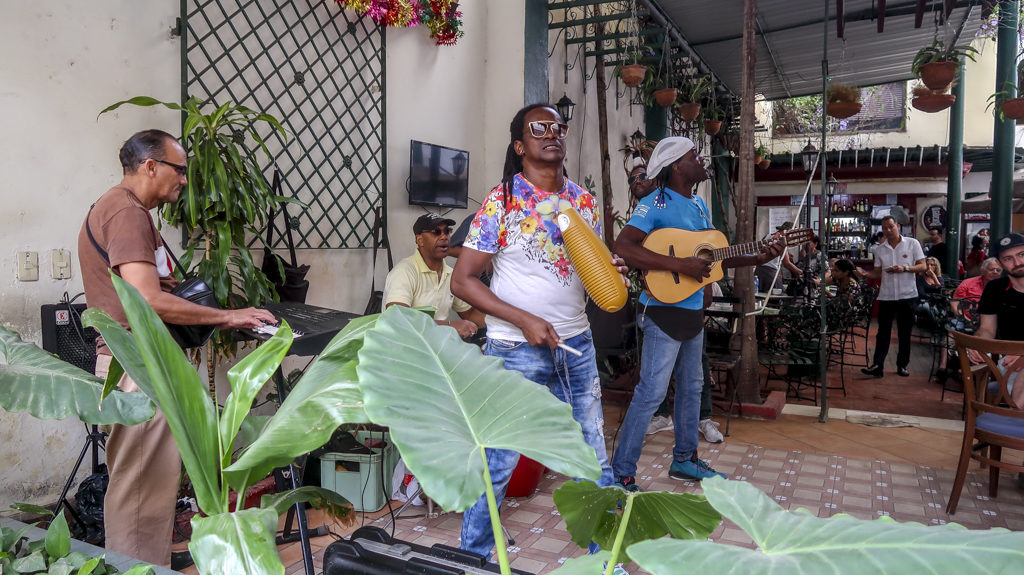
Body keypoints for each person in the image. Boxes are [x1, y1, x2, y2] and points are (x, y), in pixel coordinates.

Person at [77, 129, 277, 566]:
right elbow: (147, 299)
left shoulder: (126, 210)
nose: (185, 180)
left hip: (142, 366)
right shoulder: (124, 213)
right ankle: (136, 568)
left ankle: (145, 563)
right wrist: (229, 316)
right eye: (179, 169)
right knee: (140, 490)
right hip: (140, 368)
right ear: (150, 166)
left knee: (146, 486)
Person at [450, 103, 625, 557]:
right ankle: (476, 555)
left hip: (576, 345)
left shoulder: (583, 201)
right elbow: (463, 280)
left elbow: (589, 268)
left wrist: (611, 269)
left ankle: (603, 556)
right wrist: (522, 319)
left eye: (558, 127)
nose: (551, 134)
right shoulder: (503, 200)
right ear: (519, 144)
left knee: (591, 453)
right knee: (498, 457)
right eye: (538, 128)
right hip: (513, 350)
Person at [610, 137, 781, 491]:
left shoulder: (701, 205)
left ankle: (685, 461)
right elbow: (623, 247)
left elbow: (716, 257)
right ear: (676, 166)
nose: (701, 159)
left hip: (693, 313)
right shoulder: (653, 202)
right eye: (693, 155)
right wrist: (678, 265)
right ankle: (621, 472)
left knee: (692, 387)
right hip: (661, 310)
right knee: (651, 393)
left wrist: (759, 256)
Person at [383, 213, 483, 338]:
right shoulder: (405, 271)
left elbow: (470, 315)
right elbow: (398, 319)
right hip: (404, 349)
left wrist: (506, 318)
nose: (444, 237)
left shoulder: (451, 275)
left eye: (447, 231)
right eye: (436, 232)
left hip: (435, 347)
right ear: (420, 240)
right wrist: (450, 326)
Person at [860, 215, 926, 378]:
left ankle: (902, 365)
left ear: (897, 226)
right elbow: (877, 272)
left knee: (905, 333)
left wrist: (904, 269)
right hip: (887, 296)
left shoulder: (912, 243)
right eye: (884, 228)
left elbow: (923, 266)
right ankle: (877, 365)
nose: (888, 230)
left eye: (891, 226)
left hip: (908, 295)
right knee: (882, 333)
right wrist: (865, 274)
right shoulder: (879, 249)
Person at [970, 232, 1024, 406]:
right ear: (1000, 264)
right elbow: (987, 329)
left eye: (1021, 255)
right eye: (1008, 259)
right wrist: (978, 344)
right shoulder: (995, 289)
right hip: (1010, 363)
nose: (1018, 263)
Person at [754, 221, 802, 291]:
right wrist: (801, 272)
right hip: (770, 273)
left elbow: (764, 252)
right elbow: (786, 263)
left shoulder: (767, 236)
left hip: (758, 272)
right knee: (778, 296)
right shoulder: (782, 240)